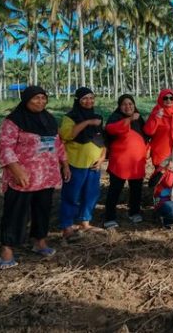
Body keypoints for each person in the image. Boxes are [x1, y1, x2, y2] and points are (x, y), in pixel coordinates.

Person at [0, 86, 69, 270]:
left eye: (43, 98)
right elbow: (5, 147)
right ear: (26, 99)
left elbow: (58, 144)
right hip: (23, 178)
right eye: (36, 98)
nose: (41, 102)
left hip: (46, 176)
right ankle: (7, 250)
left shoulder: (49, 119)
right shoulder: (13, 121)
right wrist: (16, 169)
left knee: (42, 210)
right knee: (15, 213)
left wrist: (65, 164)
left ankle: (39, 241)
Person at [58, 87, 107, 241]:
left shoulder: (97, 117)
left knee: (91, 194)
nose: (89, 101)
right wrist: (87, 122)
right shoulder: (70, 117)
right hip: (75, 163)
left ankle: (85, 222)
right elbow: (66, 135)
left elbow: (101, 139)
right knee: (71, 195)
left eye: (91, 98)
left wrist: (102, 157)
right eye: (85, 98)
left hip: (94, 164)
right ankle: (67, 226)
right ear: (78, 100)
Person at [104, 94, 149, 229]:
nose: (128, 106)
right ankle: (109, 217)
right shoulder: (116, 118)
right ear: (119, 106)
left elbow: (146, 134)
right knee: (115, 190)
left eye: (130, 104)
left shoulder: (139, 119)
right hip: (120, 162)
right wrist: (129, 119)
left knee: (136, 189)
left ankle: (134, 212)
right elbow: (111, 129)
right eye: (124, 104)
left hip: (136, 162)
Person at [144, 89, 173, 168]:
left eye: (171, 98)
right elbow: (149, 131)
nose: (169, 100)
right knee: (161, 176)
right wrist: (157, 118)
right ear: (161, 99)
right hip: (161, 151)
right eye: (165, 98)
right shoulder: (156, 112)